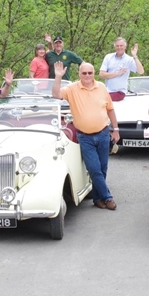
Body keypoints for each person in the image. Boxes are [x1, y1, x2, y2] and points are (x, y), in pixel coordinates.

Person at [52, 60, 119, 210]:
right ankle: (107, 198)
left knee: (102, 169)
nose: (87, 76)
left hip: (103, 133)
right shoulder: (72, 89)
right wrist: (58, 77)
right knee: (94, 169)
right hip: (85, 137)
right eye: (84, 73)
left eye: (90, 73)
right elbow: (56, 95)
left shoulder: (101, 87)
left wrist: (116, 129)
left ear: (94, 73)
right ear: (79, 74)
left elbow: (110, 109)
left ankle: (97, 199)